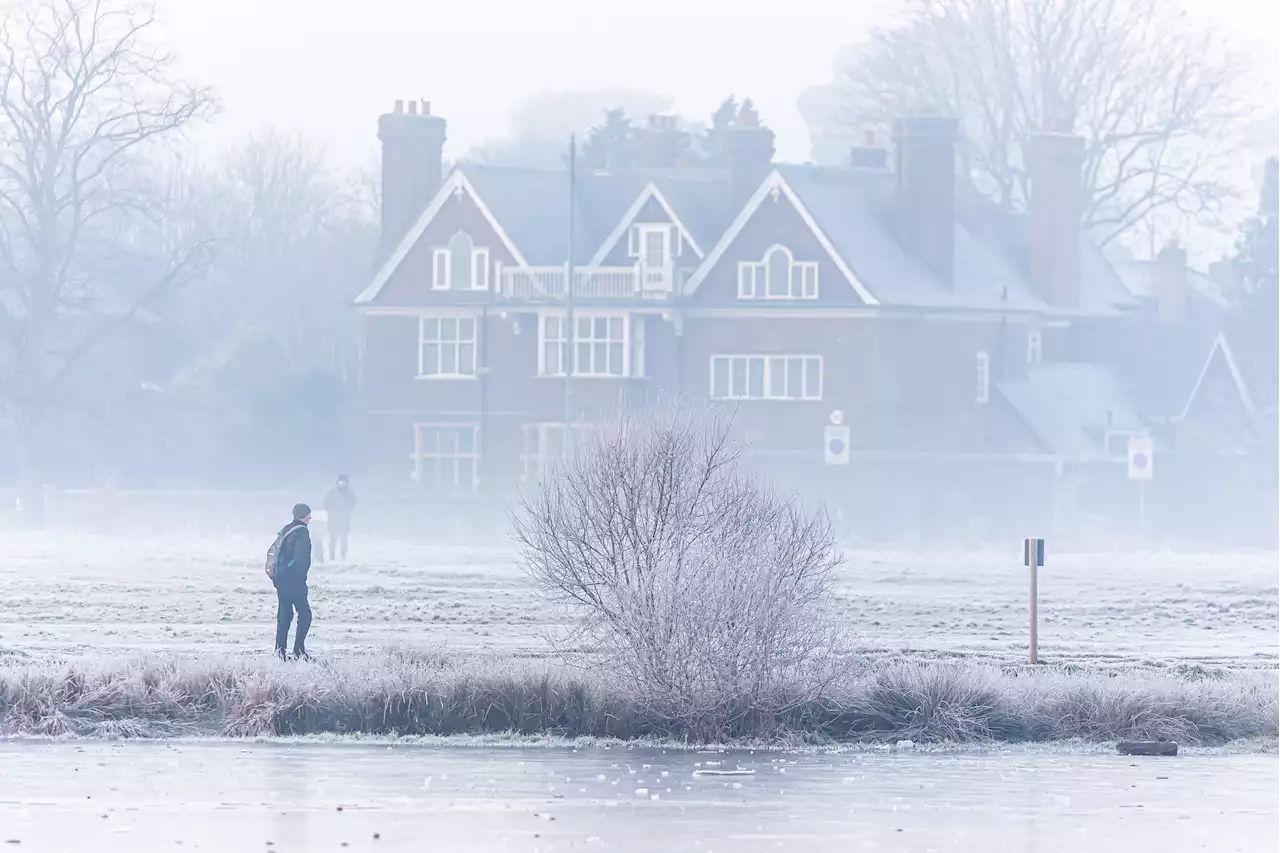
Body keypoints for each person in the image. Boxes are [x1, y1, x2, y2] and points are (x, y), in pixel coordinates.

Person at [273, 503, 314, 661]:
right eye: (309, 515)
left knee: (285, 615)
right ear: (305, 515)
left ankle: (280, 653)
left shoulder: (286, 529)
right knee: (305, 614)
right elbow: (301, 558)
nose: (310, 518)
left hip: (280, 578)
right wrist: (301, 578)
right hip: (293, 580)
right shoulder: (302, 532)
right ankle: (299, 650)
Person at [323, 474, 357, 562]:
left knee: (344, 539)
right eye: (341, 482)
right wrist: (331, 510)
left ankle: (343, 556)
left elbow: (353, 504)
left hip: (344, 520)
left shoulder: (349, 494)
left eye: (344, 482)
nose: (342, 484)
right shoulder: (332, 492)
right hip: (333, 519)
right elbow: (326, 503)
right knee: (333, 538)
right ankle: (332, 556)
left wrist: (346, 510)